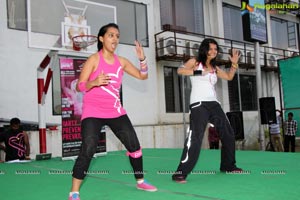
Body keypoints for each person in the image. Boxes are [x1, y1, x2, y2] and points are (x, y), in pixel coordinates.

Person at [68, 23, 157, 200]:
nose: (115, 39)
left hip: (115, 111)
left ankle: (140, 181)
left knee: (135, 146)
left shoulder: (121, 62)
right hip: (93, 111)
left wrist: (142, 59)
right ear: (101, 38)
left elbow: (142, 75)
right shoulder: (94, 59)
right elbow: (79, 86)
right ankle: (74, 192)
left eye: (117, 35)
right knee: (89, 148)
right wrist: (94, 82)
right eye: (111, 35)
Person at [172, 38, 242, 183]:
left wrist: (234, 64)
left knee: (228, 133)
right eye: (210, 49)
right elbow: (180, 70)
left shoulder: (215, 68)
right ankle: (180, 172)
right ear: (204, 49)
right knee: (196, 137)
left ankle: (228, 165)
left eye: (215, 49)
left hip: (214, 104)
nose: (213, 51)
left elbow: (229, 77)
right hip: (199, 104)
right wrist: (198, 73)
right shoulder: (195, 61)